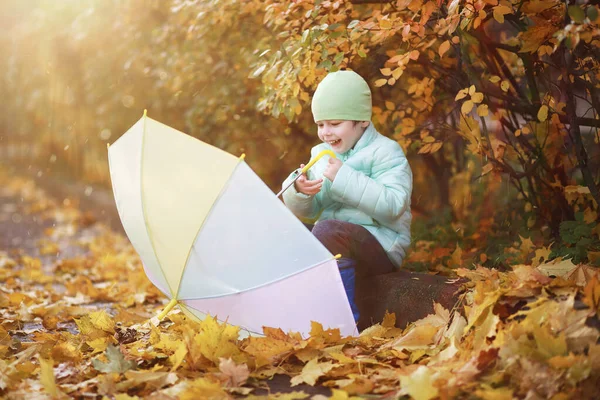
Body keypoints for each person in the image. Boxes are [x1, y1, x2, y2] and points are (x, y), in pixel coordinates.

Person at [281, 70, 413, 323]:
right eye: (321, 125)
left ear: (362, 120)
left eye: (335, 123)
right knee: (289, 228)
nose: (326, 133)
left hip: (380, 246)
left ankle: (341, 321)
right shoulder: (321, 153)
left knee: (329, 231)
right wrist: (299, 190)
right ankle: (295, 310)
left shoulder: (386, 152)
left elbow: (393, 205)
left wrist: (344, 178)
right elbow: (310, 213)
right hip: (337, 242)